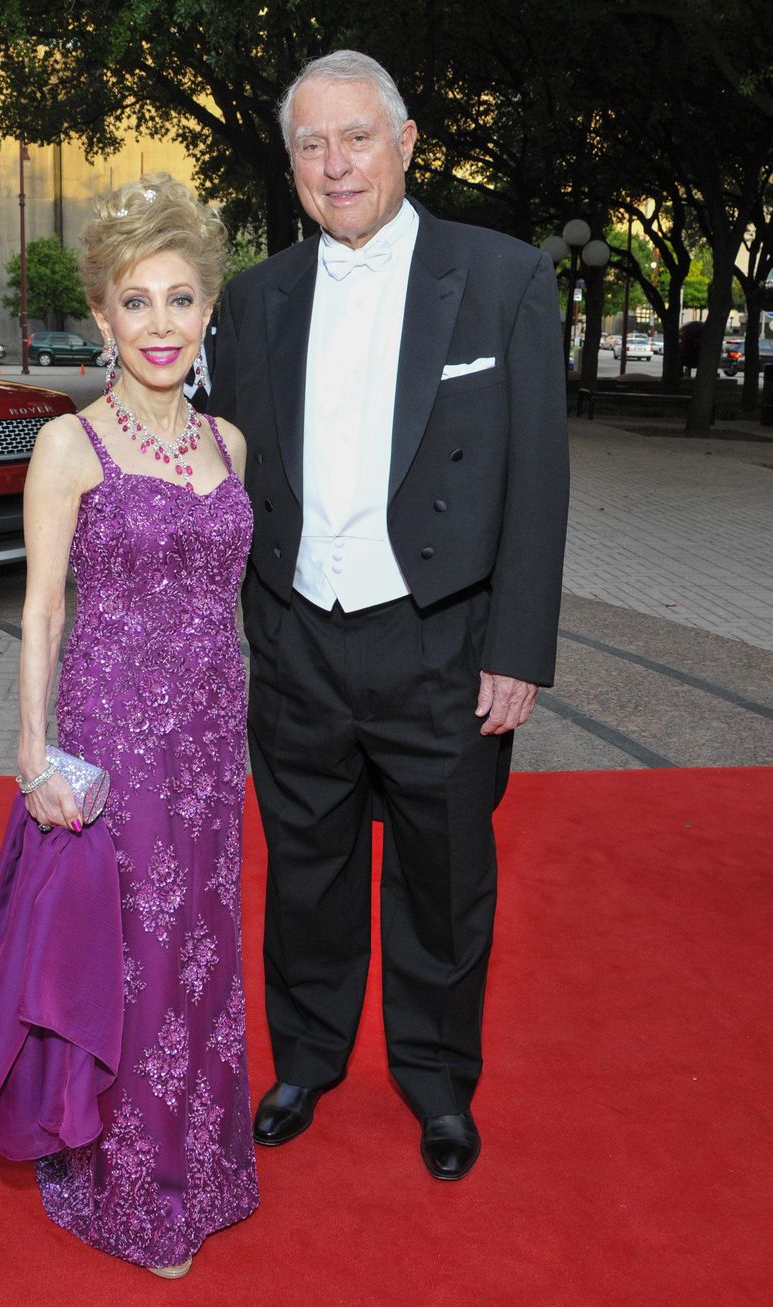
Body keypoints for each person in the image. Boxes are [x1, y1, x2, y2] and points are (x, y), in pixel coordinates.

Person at [209, 52, 568, 1181]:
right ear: (292, 164)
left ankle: (436, 1081)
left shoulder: (501, 276)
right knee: (305, 869)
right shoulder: (251, 296)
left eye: (354, 137)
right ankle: (305, 1057)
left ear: (405, 142)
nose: (334, 163)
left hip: (442, 641)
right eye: (310, 145)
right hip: (298, 634)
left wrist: (517, 648)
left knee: (443, 873)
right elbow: (216, 463)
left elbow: (536, 478)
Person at [0, 174, 258, 1276]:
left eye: (179, 299)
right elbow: (40, 608)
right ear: (102, 317)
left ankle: (207, 1162)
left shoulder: (231, 444)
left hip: (216, 748)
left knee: (205, 960)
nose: (159, 324)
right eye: (136, 301)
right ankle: (139, 1188)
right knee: (132, 965)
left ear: (206, 310)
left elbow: (226, 602)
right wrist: (32, 753)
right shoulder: (69, 445)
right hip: (115, 745)